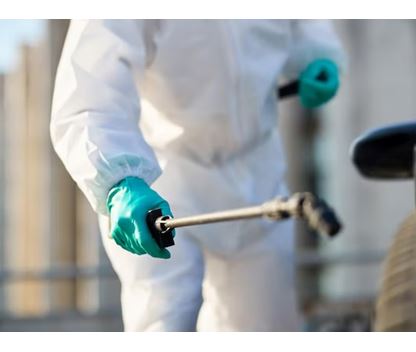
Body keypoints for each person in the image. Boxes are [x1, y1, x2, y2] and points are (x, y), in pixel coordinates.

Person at [50, 20, 345, 331]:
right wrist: (118, 181)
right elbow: (89, 90)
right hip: (165, 182)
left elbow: (302, 22)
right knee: (165, 322)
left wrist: (316, 55)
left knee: (268, 326)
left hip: (260, 171)